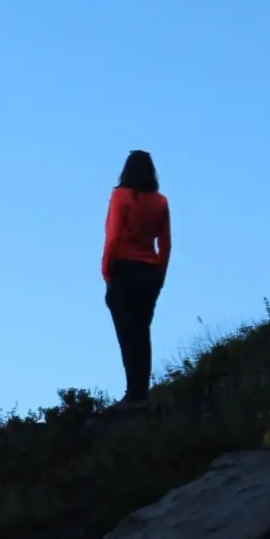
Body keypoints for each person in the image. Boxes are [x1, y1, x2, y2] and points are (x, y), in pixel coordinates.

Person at [102, 150, 171, 406]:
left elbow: (113, 237)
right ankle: (141, 391)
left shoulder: (120, 196)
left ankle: (134, 393)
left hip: (123, 270)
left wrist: (106, 271)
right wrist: (159, 276)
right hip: (149, 273)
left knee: (126, 333)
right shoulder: (161, 202)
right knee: (142, 332)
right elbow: (165, 245)